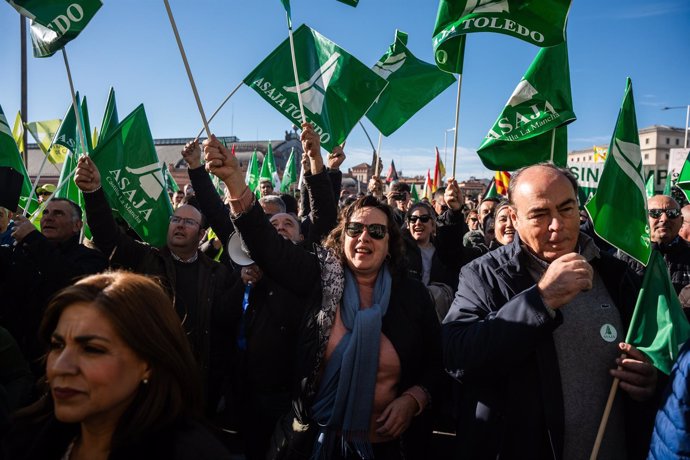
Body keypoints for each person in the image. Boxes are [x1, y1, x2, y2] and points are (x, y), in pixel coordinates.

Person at [204, 123, 442, 460]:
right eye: (355, 229)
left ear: (390, 244)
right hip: (316, 441)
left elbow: (437, 362)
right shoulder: (320, 277)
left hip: (390, 447)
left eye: (376, 231)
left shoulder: (413, 295)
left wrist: (414, 398)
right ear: (341, 238)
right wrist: (234, 182)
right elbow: (266, 245)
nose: (363, 238)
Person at [444, 163, 659, 460]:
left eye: (566, 209)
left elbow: (654, 351)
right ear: (514, 219)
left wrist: (651, 380)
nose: (557, 225)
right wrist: (541, 299)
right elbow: (457, 354)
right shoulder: (483, 275)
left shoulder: (616, 274)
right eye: (540, 214)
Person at [182, 130, 338, 460]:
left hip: (287, 389)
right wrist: (197, 169)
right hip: (242, 384)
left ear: (302, 234)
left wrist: (316, 163)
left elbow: (324, 214)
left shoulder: (308, 264)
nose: (279, 226)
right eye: (272, 223)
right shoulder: (248, 256)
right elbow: (215, 208)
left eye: (287, 224)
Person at [2, 271, 232, 459]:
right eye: (57, 345)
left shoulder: (191, 453)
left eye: (92, 349)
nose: (61, 367)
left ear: (148, 363)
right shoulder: (24, 438)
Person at [74, 157, 239, 417]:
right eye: (176, 220)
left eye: (188, 222)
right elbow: (107, 235)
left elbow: (226, 323)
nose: (179, 225)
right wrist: (93, 192)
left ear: (200, 235)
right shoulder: (147, 258)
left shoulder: (217, 273)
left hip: (199, 380)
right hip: (152, 374)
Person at [0, 199, 107, 375]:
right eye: (46, 213)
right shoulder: (19, 252)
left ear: (77, 225)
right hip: (14, 360)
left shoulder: (91, 259)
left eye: (58, 213)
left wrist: (34, 239)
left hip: (60, 357)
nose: (48, 218)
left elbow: (68, 280)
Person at [618, 194, 690, 294]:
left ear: (681, 221)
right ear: (643, 218)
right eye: (655, 213)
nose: (664, 219)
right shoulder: (626, 254)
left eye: (672, 213)